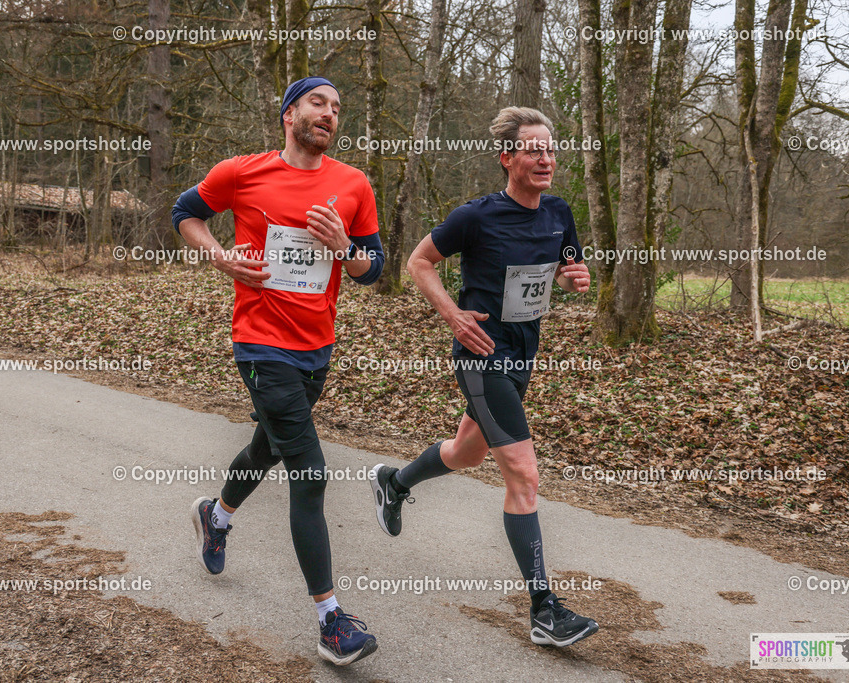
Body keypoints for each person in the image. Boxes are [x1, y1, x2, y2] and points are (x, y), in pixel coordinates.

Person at [369, 106, 599, 647]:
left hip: (523, 354)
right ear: (507, 158)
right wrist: (453, 315)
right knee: (523, 474)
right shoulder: (475, 216)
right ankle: (544, 609)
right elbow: (418, 262)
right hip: (481, 355)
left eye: (550, 150)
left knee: (467, 452)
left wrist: (574, 279)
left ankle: (394, 483)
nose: (546, 158)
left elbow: (564, 272)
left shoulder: (559, 213)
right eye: (534, 150)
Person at [173, 76, 383, 666]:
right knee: (309, 473)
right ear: (289, 114)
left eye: (337, 107)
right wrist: (222, 258)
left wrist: (345, 247)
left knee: (267, 447)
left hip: (317, 347)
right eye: (318, 102)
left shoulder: (353, 184)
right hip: (261, 345)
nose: (330, 113)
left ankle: (216, 516)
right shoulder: (242, 173)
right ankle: (330, 622)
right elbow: (185, 212)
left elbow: (373, 267)